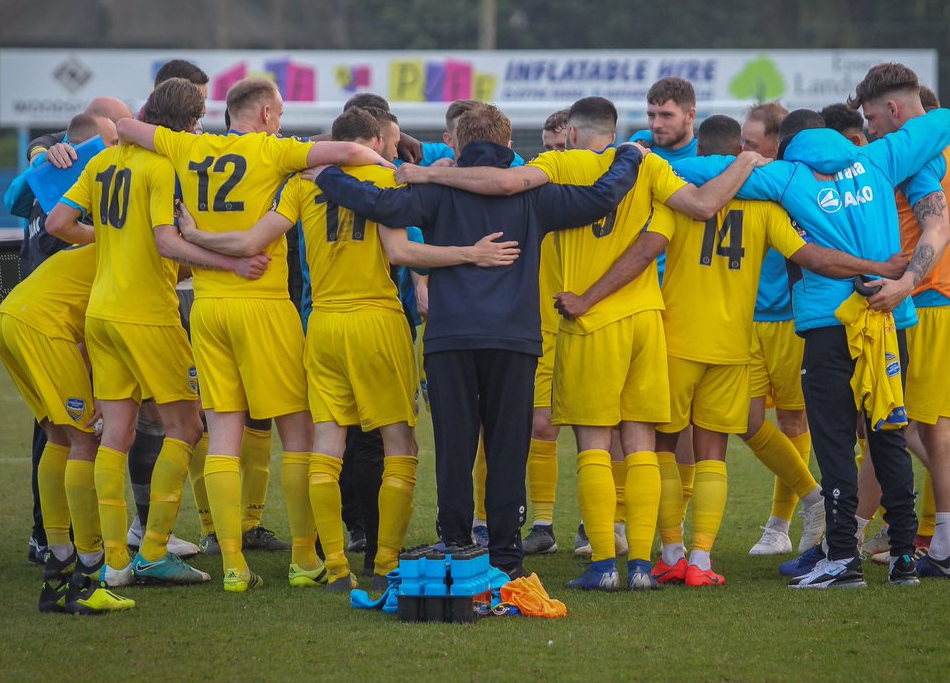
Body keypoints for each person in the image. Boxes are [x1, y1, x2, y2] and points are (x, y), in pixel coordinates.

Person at [394, 96, 768, 590]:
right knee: (640, 444)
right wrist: (745, 159)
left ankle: (603, 563)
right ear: (613, 132)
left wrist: (426, 173)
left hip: (588, 320)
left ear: (569, 133)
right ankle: (643, 564)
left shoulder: (555, 164)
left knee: (591, 443)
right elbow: (702, 205)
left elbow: (504, 182)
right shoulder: (648, 164)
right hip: (645, 319)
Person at [175, 106, 519, 590]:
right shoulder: (384, 182)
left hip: (323, 325)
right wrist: (469, 254)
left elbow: (252, 241)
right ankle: (382, 562)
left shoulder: (303, 184)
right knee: (400, 445)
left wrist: (193, 235)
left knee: (327, 443)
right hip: (376, 321)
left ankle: (332, 564)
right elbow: (401, 252)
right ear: (376, 142)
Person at [314, 103, 643, 579]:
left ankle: (455, 544)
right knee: (507, 449)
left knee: (454, 448)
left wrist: (325, 174)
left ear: (457, 145)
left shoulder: (437, 189)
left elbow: (380, 204)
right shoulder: (534, 195)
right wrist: (629, 155)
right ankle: (506, 557)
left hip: (450, 339)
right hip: (514, 339)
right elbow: (600, 198)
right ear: (509, 146)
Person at [553, 148, 908, 586]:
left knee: (660, 447)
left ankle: (668, 552)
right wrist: (876, 266)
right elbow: (813, 257)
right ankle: (702, 561)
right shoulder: (763, 206)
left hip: (676, 343)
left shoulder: (678, 200)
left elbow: (647, 248)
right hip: (734, 345)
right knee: (712, 456)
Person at [115, 77, 390, 593]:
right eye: (280, 114)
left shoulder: (189, 144)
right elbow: (354, 149)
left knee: (222, 434)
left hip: (208, 306)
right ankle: (305, 558)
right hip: (263, 303)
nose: (281, 122)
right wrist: (390, 168)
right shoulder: (275, 151)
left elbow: (125, 125)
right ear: (265, 113)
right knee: (299, 434)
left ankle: (235, 565)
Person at [675, 104, 950, 588]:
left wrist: (638, 155)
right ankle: (904, 559)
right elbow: (944, 120)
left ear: (784, 146)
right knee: (887, 434)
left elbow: (694, 169)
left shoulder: (786, 176)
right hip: (891, 319)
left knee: (832, 441)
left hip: (831, 325)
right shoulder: (879, 158)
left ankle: (842, 557)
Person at [48, 78, 271, 589]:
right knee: (188, 428)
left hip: (100, 315)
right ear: (191, 124)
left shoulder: (104, 161)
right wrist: (229, 265)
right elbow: (169, 245)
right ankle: (151, 552)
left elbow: (59, 221)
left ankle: (113, 563)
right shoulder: (164, 166)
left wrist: (109, 241)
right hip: (146, 315)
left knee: (117, 434)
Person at [851, 62, 950, 580]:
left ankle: (934, 548)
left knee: (906, 427)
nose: (870, 129)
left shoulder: (921, 153)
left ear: (894, 110)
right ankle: (876, 533)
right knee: (921, 428)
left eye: (871, 118)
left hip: (933, 302)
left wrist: (907, 283)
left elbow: (939, 227)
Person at [0, 244, 135, 614]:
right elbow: (107, 334)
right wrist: (103, 393)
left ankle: (58, 558)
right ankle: (90, 566)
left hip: (7, 320)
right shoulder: (128, 262)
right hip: (41, 327)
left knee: (58, 437)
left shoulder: (96, 251)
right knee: (84, 440)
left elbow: (87, 338)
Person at [736, 102, 815, 557]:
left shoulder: (791, 182)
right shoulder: (744, 178)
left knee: (792, 420)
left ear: (777, 144)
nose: (742, 150)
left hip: (791, 321)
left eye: (751, 143)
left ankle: (779, 524)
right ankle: (814, 497)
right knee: (745, 421)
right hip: (748, 322)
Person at [522, 109, 572, 557]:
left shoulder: (600, 190)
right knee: (542, 425)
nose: (553, 155)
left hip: (590, 322)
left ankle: (600, 523)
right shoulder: (528, 185)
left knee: (604, 430)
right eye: (547, 147)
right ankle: (543, 523)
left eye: (561, 146)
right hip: (541, 326)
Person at [628, 77, 699, 162]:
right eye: (651, 115)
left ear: (690, 116)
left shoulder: (708, 155)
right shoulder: (637, 148)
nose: (656, 125)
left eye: (666, 115)